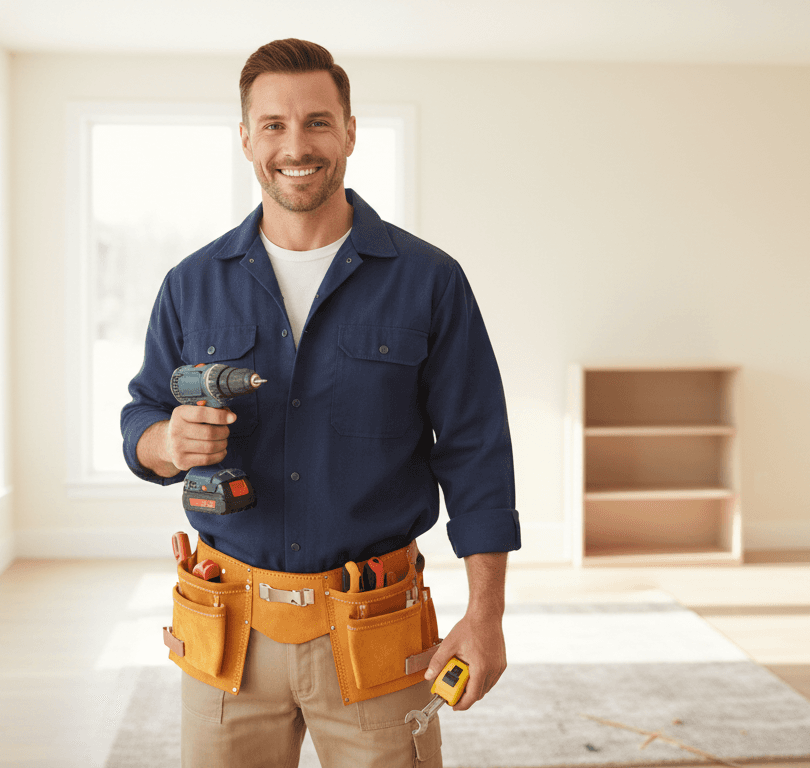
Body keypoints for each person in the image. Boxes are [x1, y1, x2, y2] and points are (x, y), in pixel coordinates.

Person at [121, 38, 519, 767]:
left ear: (350, 132)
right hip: (228, 629)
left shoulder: (429, 281)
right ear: (246, 139)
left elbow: (477, 451)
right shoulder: (191, 283)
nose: (295, 145)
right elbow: (142, 415)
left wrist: (486, 615)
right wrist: (166, 443)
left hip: (376, 631)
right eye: (273, 124)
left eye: (316, 122)